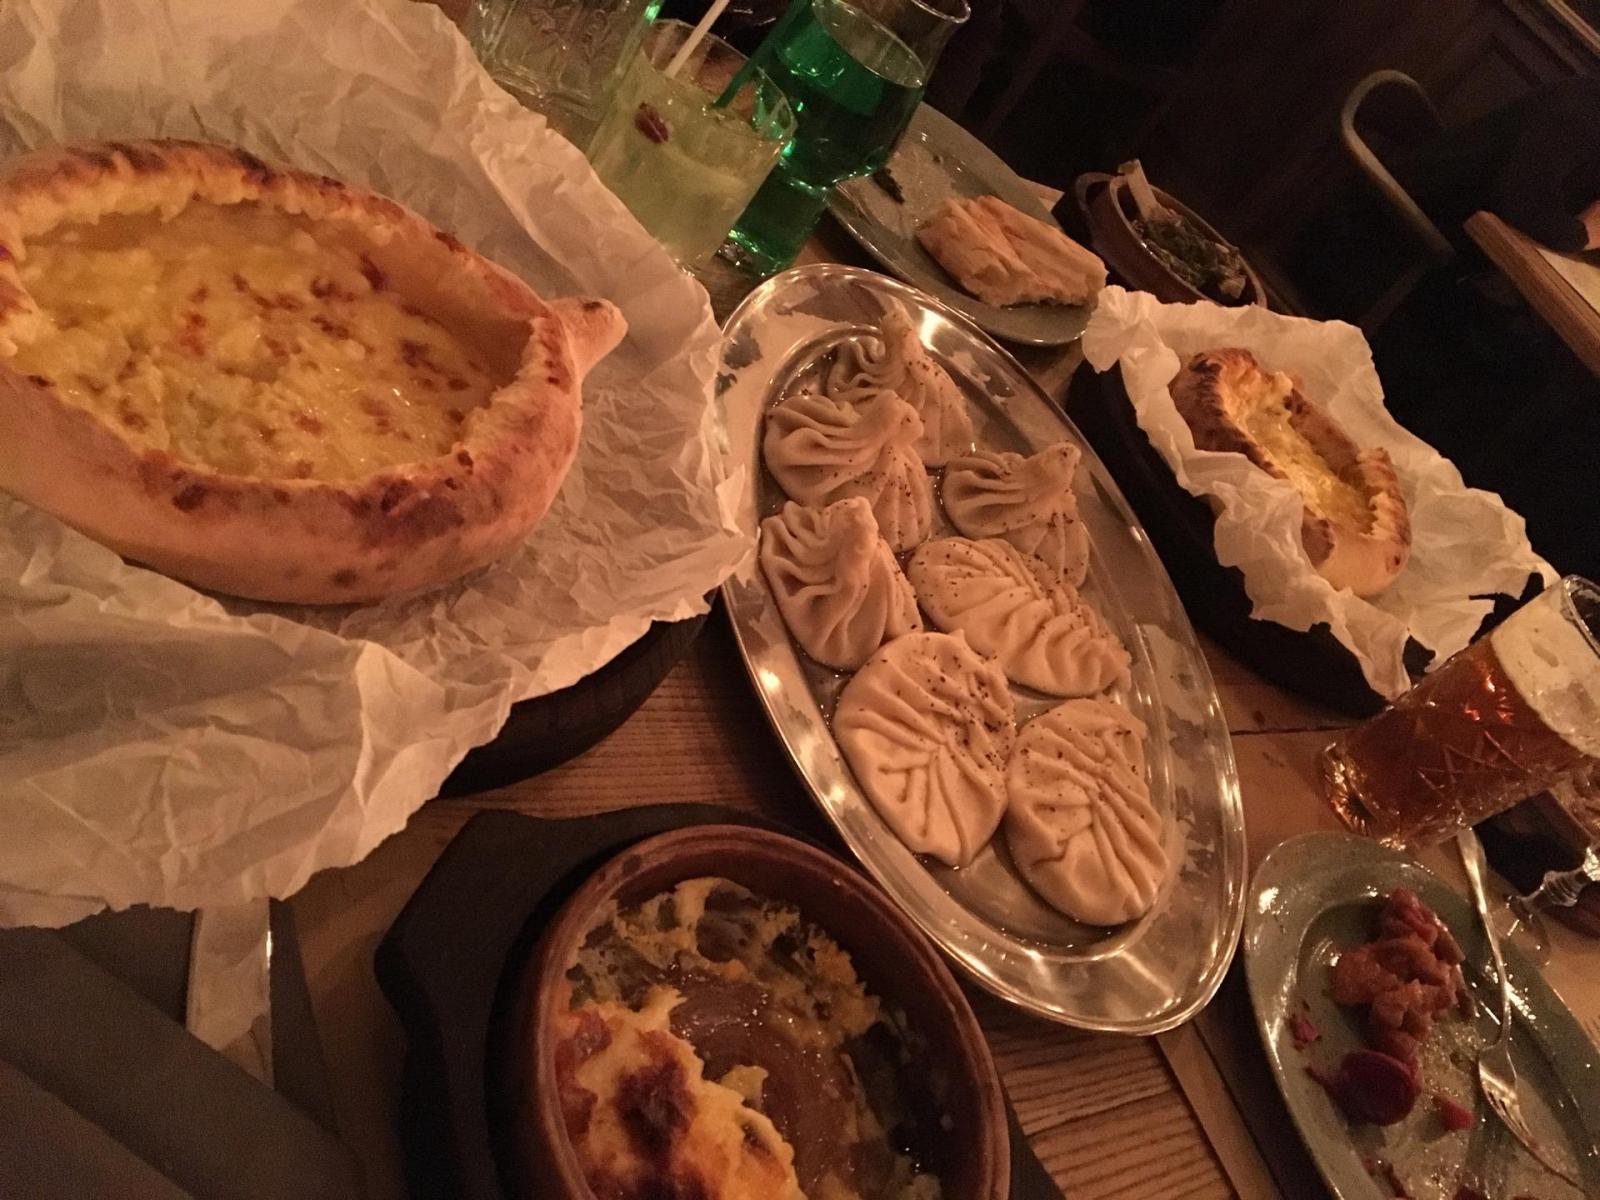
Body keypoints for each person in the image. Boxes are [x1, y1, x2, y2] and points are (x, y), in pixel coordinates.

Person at [1398, 75, 1600, 254]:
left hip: (1466, 231)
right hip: (1416, 222)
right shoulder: (1581, 112)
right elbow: (1522, 197)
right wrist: (1582, 236)